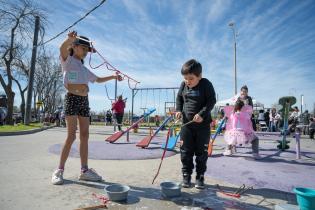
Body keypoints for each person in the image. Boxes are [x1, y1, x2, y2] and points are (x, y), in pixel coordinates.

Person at [51, 31, 123, 185]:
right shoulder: (67, 61)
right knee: (71, 136)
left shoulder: (84, 69)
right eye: (83, 48)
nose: (85, 52)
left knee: (85, 135)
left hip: (84, 102)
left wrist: (113, 76)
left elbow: (98, 79)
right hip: (71, 99)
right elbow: (61, 49)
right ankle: (59, 170)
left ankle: (84, 170)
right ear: (74, 47)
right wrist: (68, 40)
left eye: (87, 50)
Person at [175, 59, 216, 189]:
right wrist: (178, 111)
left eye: (191, 78)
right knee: (185, 152)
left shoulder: (206, 84)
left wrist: (202, 114)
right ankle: (186, 175)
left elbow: (211, 101)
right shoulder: (183, 85)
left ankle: (200, 176)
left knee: (201, 153)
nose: (188, 81)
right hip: (186, 125)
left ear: (200, 76)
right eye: (185, 78)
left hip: (202, 127)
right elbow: (179, 99)